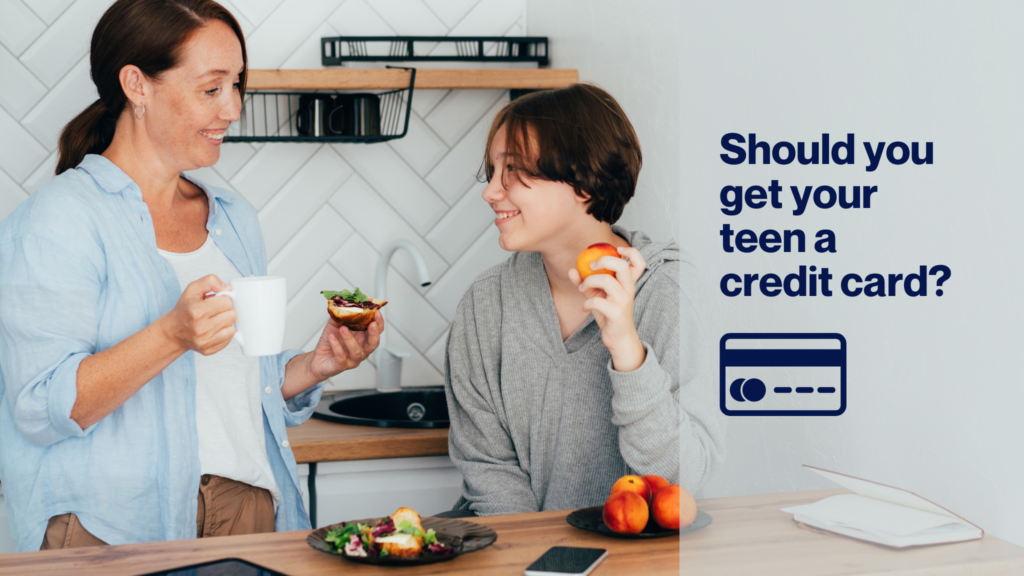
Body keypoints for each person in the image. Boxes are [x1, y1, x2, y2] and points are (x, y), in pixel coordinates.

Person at [0, 0, 381, 552]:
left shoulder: (231, 216)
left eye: (237, 85)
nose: (232, 109)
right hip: (110, 523)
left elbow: (232, 379)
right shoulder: (59, 219)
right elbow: (40, 405)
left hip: (247, 508)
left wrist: (311, 367)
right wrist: (170, 334)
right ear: (137, 84)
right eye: (211, 89)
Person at [441, 84, 725, 516]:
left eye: (514, 171)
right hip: (516, 556)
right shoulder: (486, 305)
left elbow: (685, 478)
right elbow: (489, 469)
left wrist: (628, 351)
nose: (491, 191)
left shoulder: (668, 294)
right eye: (493, 171)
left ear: (583, 181)